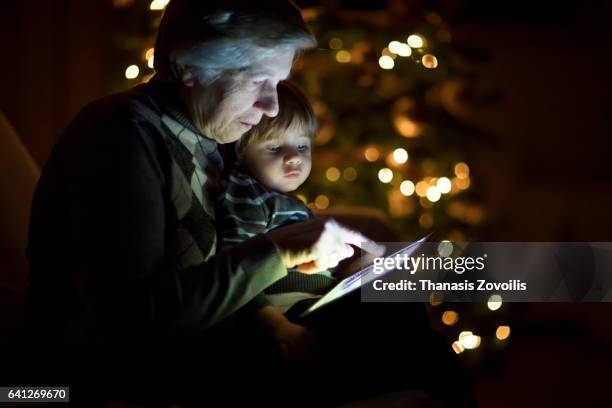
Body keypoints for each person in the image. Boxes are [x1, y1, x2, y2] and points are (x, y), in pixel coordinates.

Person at [22, 0, 476, 406]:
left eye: (278, 82)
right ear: (188, 68)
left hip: (224, 331)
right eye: (258, 80)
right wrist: (280, 252)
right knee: (404, 344)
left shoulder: (215, 132)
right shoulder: (120, 133)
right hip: (133, 367)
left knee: (396, 310)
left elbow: (245, 228)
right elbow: (135, 322)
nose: (273, 107)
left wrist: (326, 257)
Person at [217, 81, 336, 362]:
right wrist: (277, 327)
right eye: (274, 148)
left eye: (302, 145)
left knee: (402, 292)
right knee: (394, 305)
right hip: (287, 316)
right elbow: (236, 276)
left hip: (317, 301)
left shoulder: (284, 202)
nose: (294, 157)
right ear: (240, 151)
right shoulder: (248, 196)